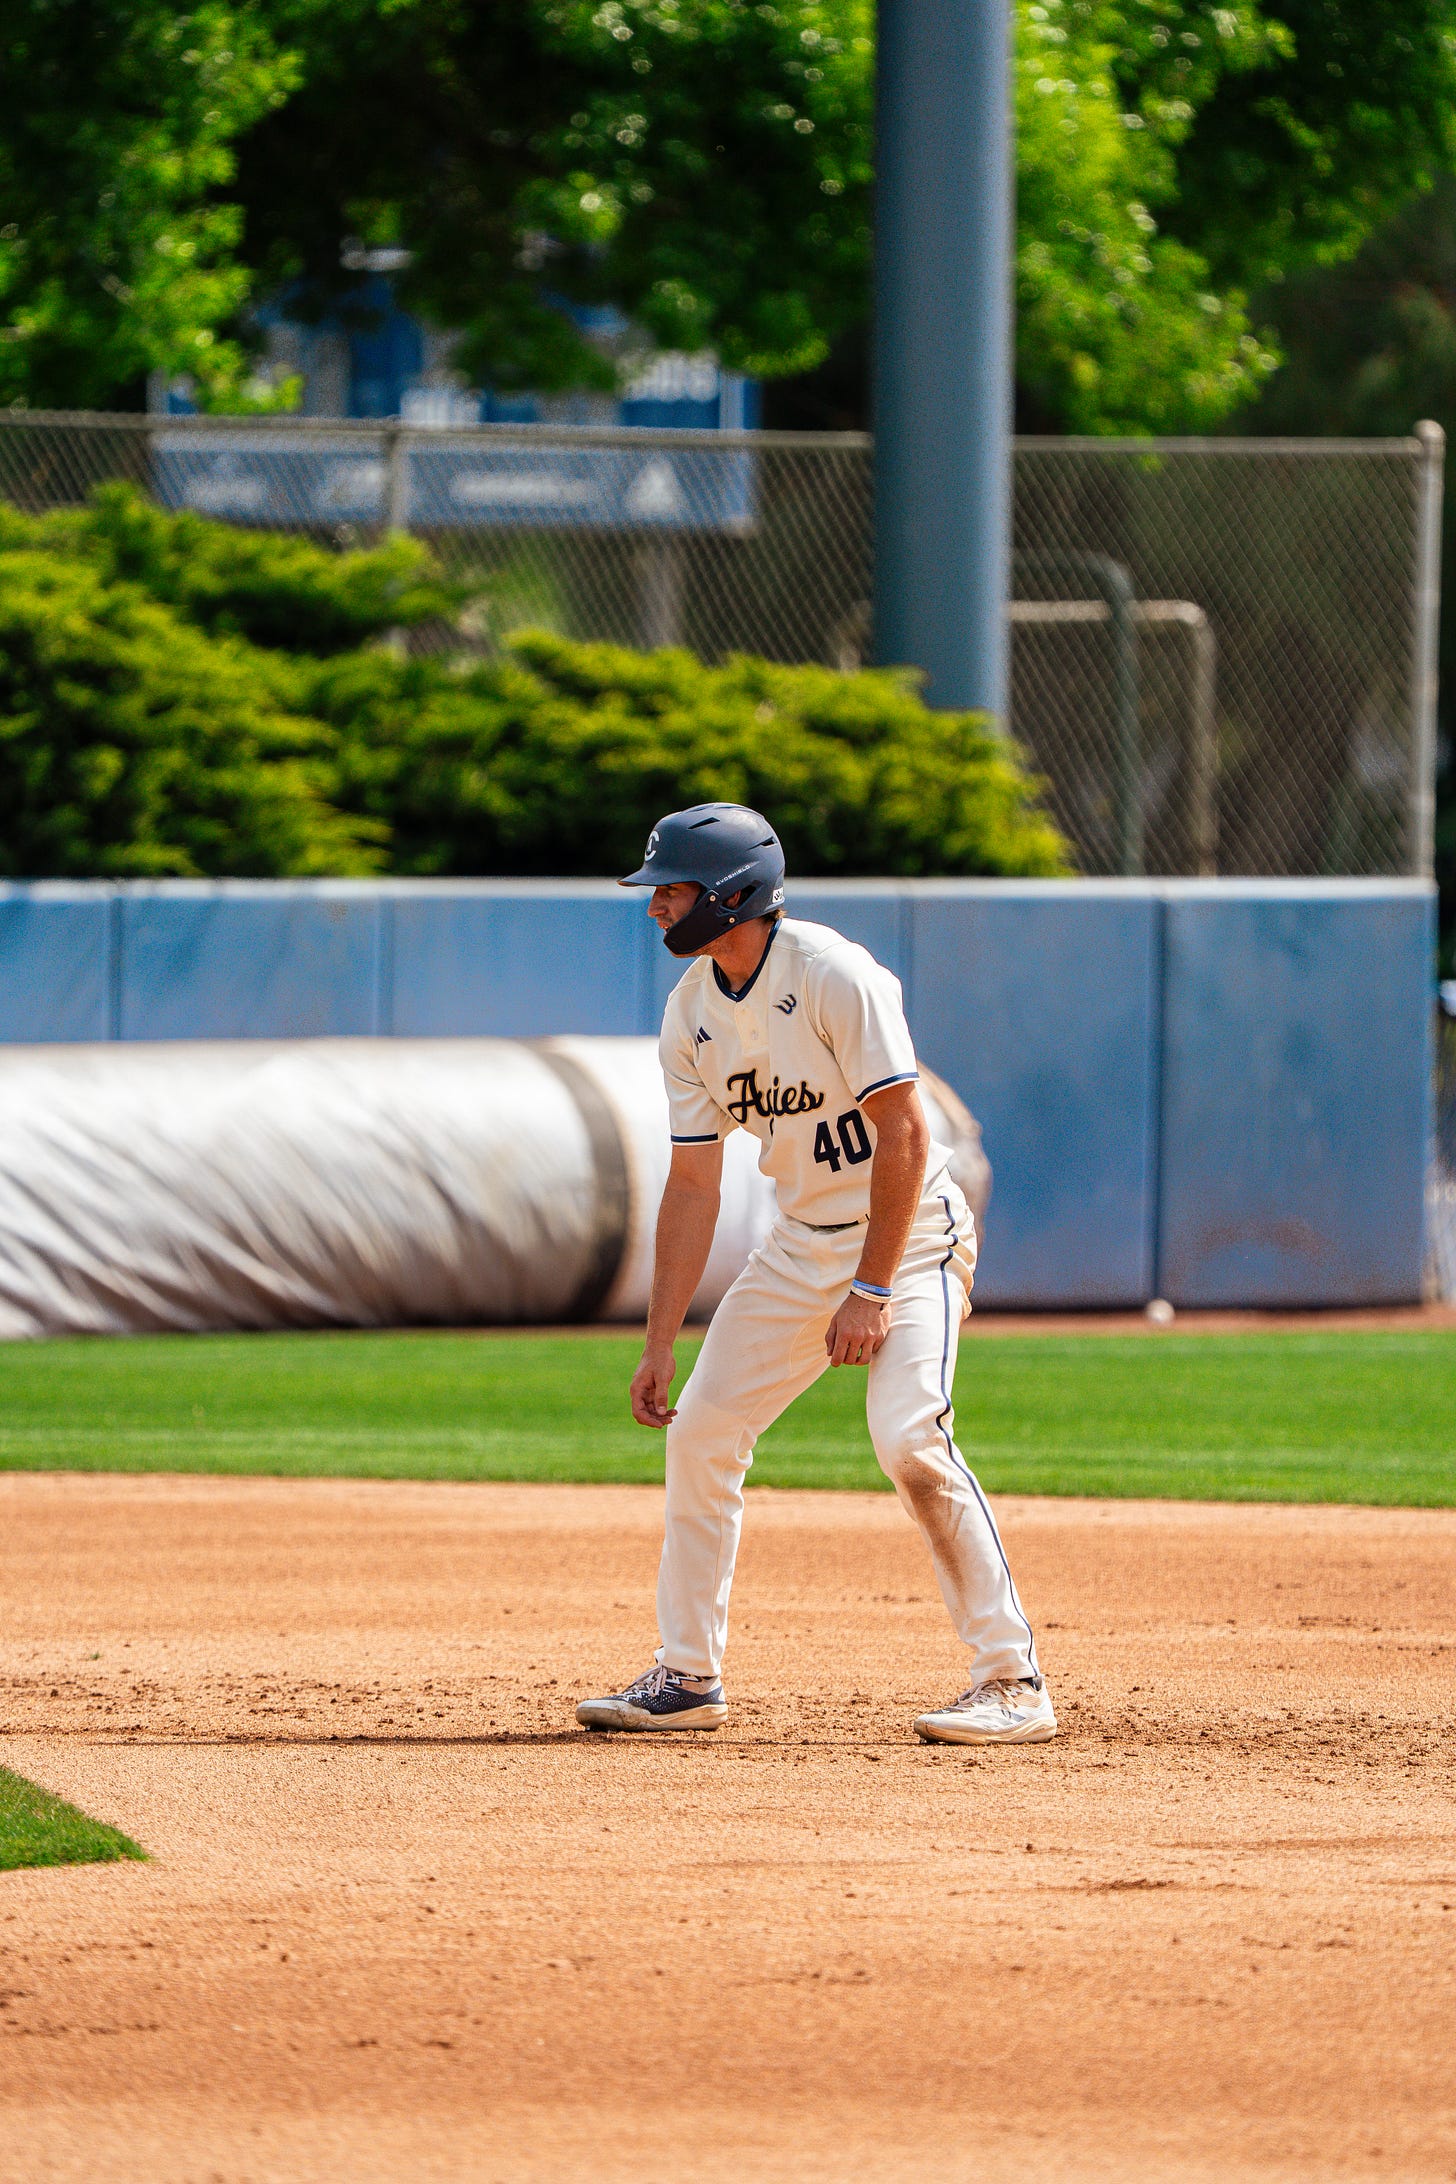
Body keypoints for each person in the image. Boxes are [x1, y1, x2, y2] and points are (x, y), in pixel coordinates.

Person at [575, 803, 1054, 1746]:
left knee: (909, 1439)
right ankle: (687, 1675)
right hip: (801, 1242)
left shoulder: (835, 974)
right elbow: (694, 1187)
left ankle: (1012, 1680)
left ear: (730, 895)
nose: (655, 906)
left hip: (908, 1236)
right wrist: (660, 1342)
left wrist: (871, 1290)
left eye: (670, 889)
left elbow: (905, 1132)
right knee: (703, 1432)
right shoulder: (690, 1014)